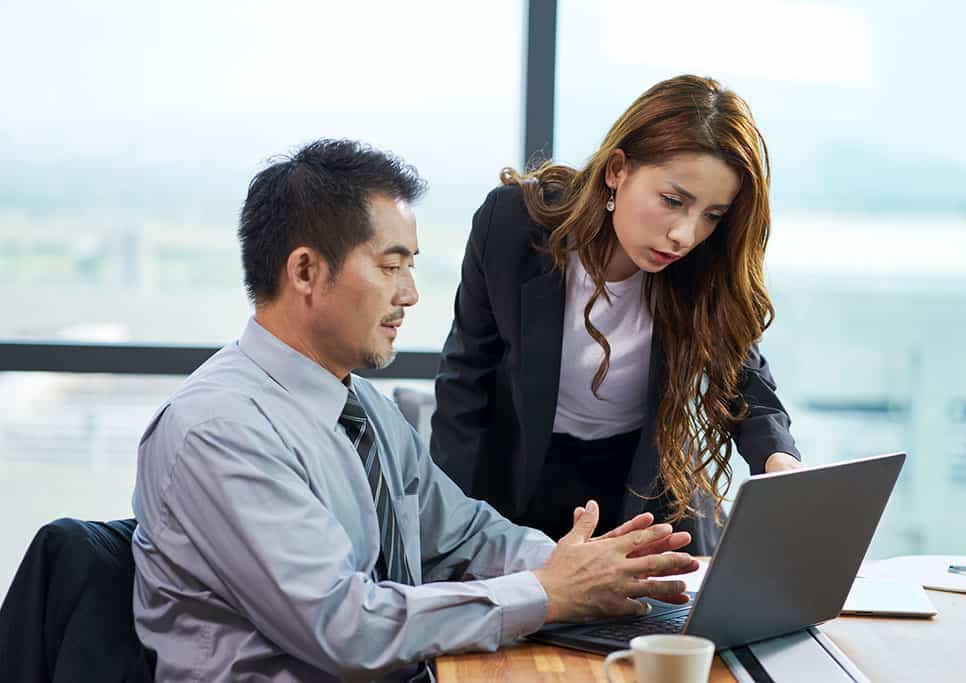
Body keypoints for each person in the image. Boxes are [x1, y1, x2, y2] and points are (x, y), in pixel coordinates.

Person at [131, 139, 699, 683]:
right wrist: (547, 593)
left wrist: (589, 568)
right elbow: (345, 628)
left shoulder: (362, 412)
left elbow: (465, 536)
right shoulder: (220, 430)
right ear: (304, 271)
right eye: (389, 266)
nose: (409, 295)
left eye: (411, 267)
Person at [431, 75, 802, 554]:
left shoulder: (702, 270)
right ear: (617, 170)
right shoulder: (510, 225)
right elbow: (466, 378)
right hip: (525, 482)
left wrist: (780, 463)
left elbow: (744, 379)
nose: (684, 236)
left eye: (712, 215)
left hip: (650, 491)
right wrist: (451, 530)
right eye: (673, 201)